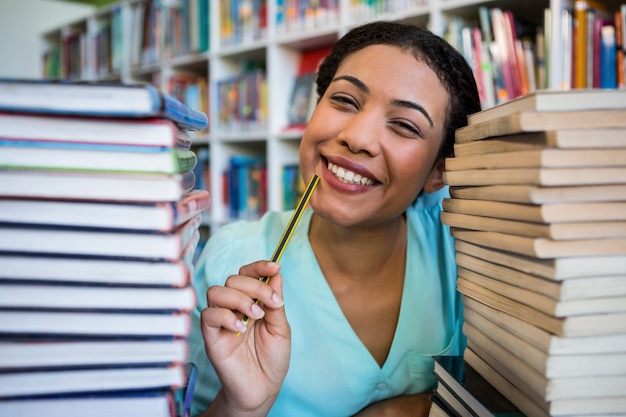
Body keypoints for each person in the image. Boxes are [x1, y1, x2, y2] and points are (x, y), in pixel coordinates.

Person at [187, 20, 481, 417]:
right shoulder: (228, 259)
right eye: (344, 101)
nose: (357, 137)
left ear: (438, 172)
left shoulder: (466, 244)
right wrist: (240, 406)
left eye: (405, 125)